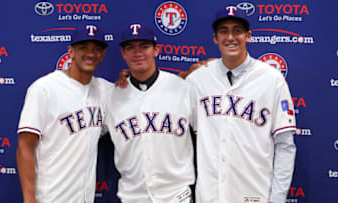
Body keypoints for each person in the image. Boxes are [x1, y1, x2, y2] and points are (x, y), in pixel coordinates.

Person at [183, 6, 297, 203]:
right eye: (223, 31)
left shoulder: (272, 79)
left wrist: (277, 197)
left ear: (248, 36)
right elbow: (164, 105)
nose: (230, 37)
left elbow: (285, 145)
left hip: (254, 193)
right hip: (210, 195)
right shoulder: (198, 79)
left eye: (237, 30)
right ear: (215, 38)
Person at [16, 24, 112, 203]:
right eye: (83, 47)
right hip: (51, 197)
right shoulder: (44, 88)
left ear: (103, 55)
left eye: (97, 49)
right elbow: (24, 146)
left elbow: (140, 94)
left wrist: (180, 80)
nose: (90, 54)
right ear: (71, 51)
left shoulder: (105, 90)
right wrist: (29, 200)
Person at [104, 23, 196, 203]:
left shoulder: (184, 88)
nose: (137, 53)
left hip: (177, 196)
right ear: (123, 53)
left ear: (156, 50)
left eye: (144, 46)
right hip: (132, 196)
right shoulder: (109, 96)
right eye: (130, 48)